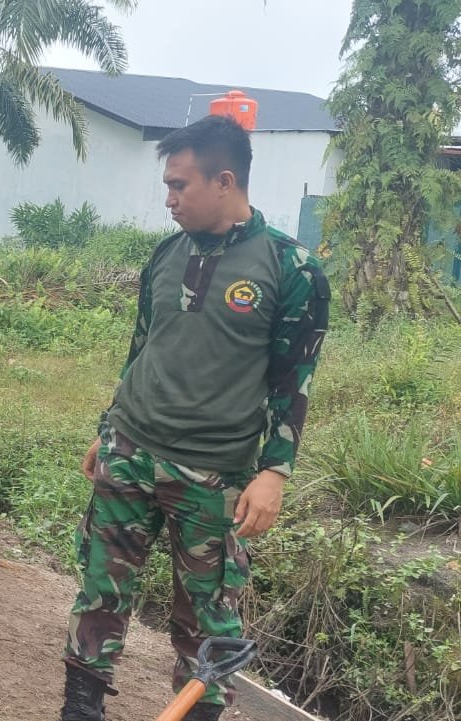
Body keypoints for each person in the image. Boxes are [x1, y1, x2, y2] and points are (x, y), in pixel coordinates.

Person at [60, 114, 329, 721]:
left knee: (208, 619)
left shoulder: (292, 270)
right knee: (100, 594)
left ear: (225, 181)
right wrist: (108, 429)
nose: (170, 199)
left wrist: (274, 473)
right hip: (130, 452)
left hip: (214, 476)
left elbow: (294, 380)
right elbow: (141, 348)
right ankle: (80, 711)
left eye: (180, 185)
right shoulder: (166, 254)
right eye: (167, 185)